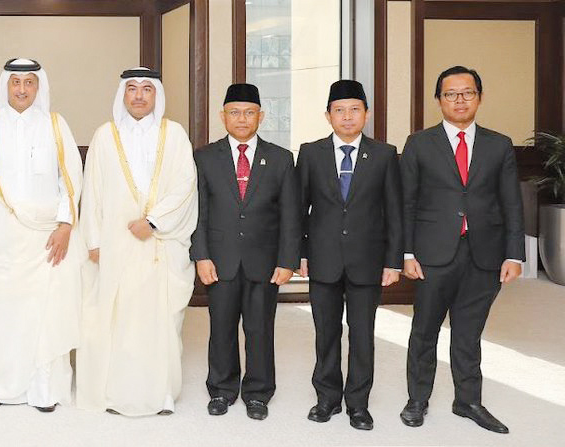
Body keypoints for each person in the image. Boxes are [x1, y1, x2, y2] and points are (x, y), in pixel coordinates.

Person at [399, 66, 523, 434]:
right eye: (451, 93)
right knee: (425, 330)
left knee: (468, 332)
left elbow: (512, 203)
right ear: (439, 100)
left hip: (484, 254)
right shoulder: (419, 143)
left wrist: (514, 254)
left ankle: (467, 401)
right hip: (433, 254)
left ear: (479, 97)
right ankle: (417, 399)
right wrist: (406, 253)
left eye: (467, 92)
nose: (459, 100)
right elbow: (406, 202)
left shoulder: (499, 144)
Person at [0, 58, 82, 412]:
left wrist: (64, 225)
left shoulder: (56, 126)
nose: (22, 89)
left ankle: (43, 388)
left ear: (39, 87)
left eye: (29, 82)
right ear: (6, 86)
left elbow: (71, 180)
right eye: (16, 82)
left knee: (43, 314)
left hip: (44, 240)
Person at [75, 67, 198, 417]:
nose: (139, 95)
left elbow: (185, 185)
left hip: (159, 244)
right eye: (132, 89)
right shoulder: (104, 136)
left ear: (156, 95)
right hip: (115, 246)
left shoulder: (173, 134)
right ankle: (115, 393)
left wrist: (154, 222)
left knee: (160, 321)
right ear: (123, 95)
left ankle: (160, 394)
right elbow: (93, 191)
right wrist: (94, 241)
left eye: (147, 89)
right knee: (116, 318)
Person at [296, 80, 402, 431]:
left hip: (367, 260)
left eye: (354, 109)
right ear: (328, 116)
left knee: (362, 334)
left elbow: (394, 212)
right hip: (323, 257)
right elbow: (299, 209)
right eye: (339, 110)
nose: (346, 117)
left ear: (366, 114)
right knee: (325, 332)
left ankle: (358, 403)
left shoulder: (385, 154)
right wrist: (299, 253)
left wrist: (393, 260)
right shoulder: (310, 153)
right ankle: (326, 398)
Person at [191, 83, 300, 421]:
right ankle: (222, 389)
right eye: (235, 112)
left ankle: (257, 392)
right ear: (223, 117)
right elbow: (199, 211)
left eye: (249, 112)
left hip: (264, 262)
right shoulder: (205, 157)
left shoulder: (281, 159)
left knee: (260, 329)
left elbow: (290, 215)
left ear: (261, 116)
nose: (242, 119)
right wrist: (201, 255)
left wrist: (287, 260)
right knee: (220, 328)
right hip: (219, 260)